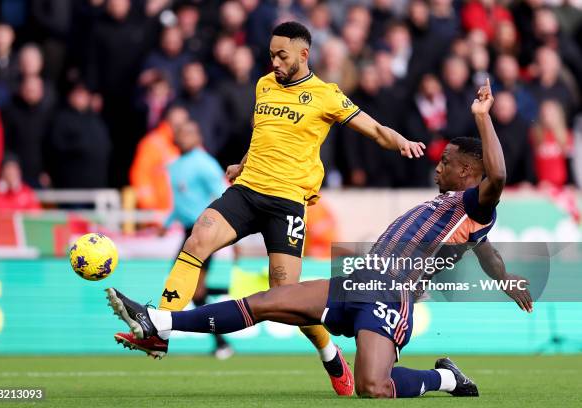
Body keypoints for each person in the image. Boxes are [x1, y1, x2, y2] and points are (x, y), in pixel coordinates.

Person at [106, 79, 534, 399]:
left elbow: (497, 176)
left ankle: (446, 379)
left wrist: (482, 117)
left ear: (469, 173)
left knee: (373, 387)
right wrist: (505, 276)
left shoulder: (478, 202)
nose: (438, 169)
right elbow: (486, 250)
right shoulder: (459, 210)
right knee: (270, 301)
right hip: (361, 279)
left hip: (390, 294)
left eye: (447, 164)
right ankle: (158, 321)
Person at [114, 21, 425, 397]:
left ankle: (331, 355)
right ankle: (160, 331)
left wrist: (402, 141)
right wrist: (243, 163)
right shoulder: (263, 86)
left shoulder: (326, 95)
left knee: (285, 296)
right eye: (271, 55)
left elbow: (374, 130)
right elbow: (264, 133)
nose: (274, 62)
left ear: (304, 55)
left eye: (282, 55)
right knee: (197, 240)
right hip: (246, 192)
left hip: (287, 204)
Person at [121, 120, 233, 359]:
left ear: (198, 136)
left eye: (189, 132)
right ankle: (221, 332)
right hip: (187, 231)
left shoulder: (204, 163)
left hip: (204, 231)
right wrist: (167, 222)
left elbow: (225, 195)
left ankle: (160, 336)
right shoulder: (174, 165)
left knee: (183, 284)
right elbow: (181, 204)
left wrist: (225, 227)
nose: (183, 136)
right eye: (180, 132)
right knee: (193, 290)